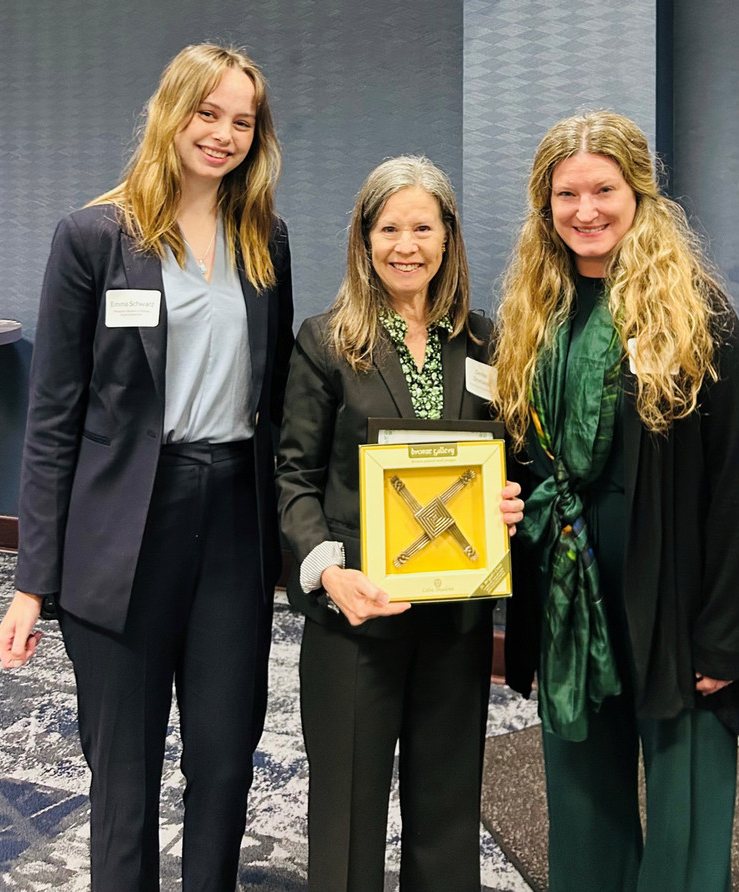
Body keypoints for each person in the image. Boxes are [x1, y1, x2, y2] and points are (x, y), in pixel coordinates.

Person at [0, 43, 293, 891]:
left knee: (225, 766)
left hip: (234, 521)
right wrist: (30, 580)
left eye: (242, 121)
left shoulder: (265, 239)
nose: (224, 134)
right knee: (123, 779)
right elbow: (53, 418)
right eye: (208, 112)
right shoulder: (94, 237)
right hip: (121, 530)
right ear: (172, 110)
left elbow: (274, 400)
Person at [494, 111, 739, 892]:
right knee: (581, 787)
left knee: (684, 802)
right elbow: (521, 450)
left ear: (638, 192)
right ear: (545, 206)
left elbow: (737, 486)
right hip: (571, 578)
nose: (586, 211)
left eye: (603, 189)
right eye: (566, 194)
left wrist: (723, 639)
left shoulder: (698, 316)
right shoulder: (534, 316)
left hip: (671, 587)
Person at [276, 156, 523, 892]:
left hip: (456, 620)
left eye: (423, 226)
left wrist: (507, 500)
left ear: (448, 238)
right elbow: (293, 476)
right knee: (347, 813)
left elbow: (508, 462)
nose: (405, 245)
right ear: (364, 237)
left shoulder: (488, 342)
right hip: (357, 612)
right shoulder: (325, 342)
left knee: (448, 812)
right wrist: (327, 572)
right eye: (390, 228)